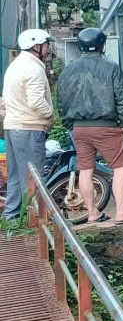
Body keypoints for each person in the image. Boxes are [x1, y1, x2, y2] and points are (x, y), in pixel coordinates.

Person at [56, 27, 123, 225]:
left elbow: (61, 101)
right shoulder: (111, 68)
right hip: (107, 126)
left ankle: (92, 213)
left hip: (79, 128)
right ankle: (121, 213)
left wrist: (70, 124)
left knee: (85, 169)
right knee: (120, 167)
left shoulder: (67, 71)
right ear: (102, 45)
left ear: (80, 46)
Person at [3, 29, 56, 221]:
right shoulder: (33, 68)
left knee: (16, 175)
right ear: (36, 46)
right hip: (29, 127)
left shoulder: (16, 64)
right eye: (46, 44)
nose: (48, 48)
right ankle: (35, 220)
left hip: (13, 126)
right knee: (34, 178)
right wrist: (51, 115)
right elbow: (36, 102)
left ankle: (11, 218)